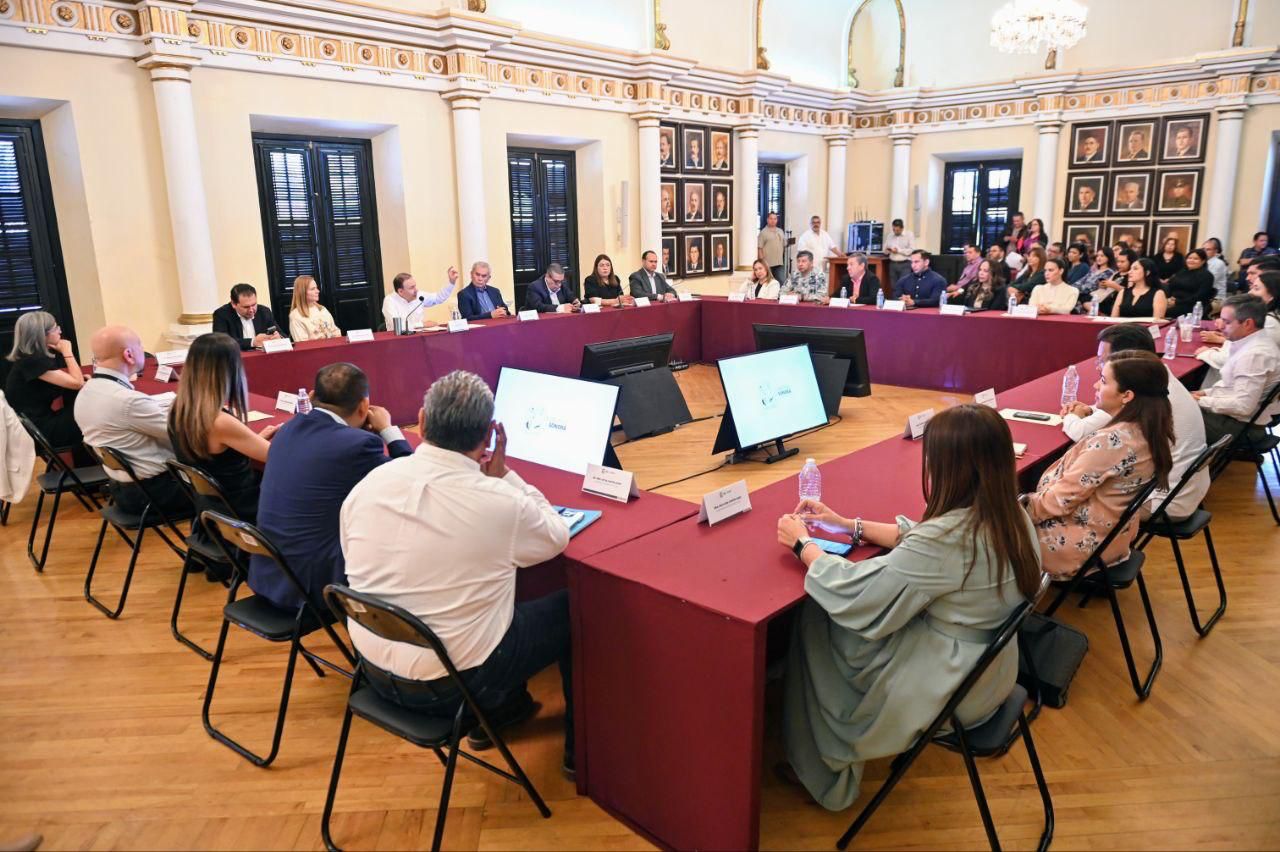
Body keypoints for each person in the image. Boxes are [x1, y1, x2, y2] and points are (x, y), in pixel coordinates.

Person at [773, 403, 1041, 810]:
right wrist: (847, 525)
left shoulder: (948, 539)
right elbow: (921, 541)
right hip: (992, 671)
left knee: (817, 616)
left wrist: (802, 544)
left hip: (950, 684)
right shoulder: (1010, 514)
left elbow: (858, 593)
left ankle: (825, 762)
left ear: (951, 468)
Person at [339, 370, 574, 775]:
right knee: (575, 609)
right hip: (454, 684)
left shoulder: (368, 485)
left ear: (421, 421)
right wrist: (506, 477)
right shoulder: (499, 501)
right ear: (489, 435)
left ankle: (504, 709)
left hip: (370, 669)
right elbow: (556, 536)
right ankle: (579, 749)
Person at [249, 362, 411, 611]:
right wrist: (388, 430)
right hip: (315, 586)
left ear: (312, 396)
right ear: (364, 406)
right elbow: (409, 480)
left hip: (269, 573)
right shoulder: (357, 446)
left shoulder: (288, 429)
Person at [1026, 355, 1173, 578]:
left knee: (988, 531)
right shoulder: (1150, 429)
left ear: (1127, 396)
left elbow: (1060, 501)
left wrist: (1014, 513)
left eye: (1103, 381)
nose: (1095, 385)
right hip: (1113, 538)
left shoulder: (1111, 442)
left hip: (1078, 546)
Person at [1062, 328, 1209, 519]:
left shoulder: (1142, 397)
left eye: (1103, 361)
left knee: (1070, 501)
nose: (1098, 368)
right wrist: (1089, 409)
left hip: (1163, 501)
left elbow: (1080, 431)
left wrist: (1071, 414)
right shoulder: (1159, 380)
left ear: (1127, 359)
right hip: (1185, 490)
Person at [73, 325, 189, 517]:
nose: (143, 350)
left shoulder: (87, 391)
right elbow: (185, 434)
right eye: (140, 345)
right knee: (230, 484)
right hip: (157, 493)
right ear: (129, 354)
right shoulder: (127, 401)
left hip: (121, 488)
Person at [168, 333, 278, 523]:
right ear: (230, 371)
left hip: (213, 507)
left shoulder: (178, 408)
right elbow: (278, 457)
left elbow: (218, 455)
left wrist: (253, 439)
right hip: (244, 508)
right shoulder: (218, 421)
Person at [1193, 295, 1280, 445]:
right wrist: (1204, 393)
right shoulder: (1252, 343)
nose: (1220, 326)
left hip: (1241, 428)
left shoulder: (1255, 355)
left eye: (1227, 322)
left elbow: (1243, 406)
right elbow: (1232, 386)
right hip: (1238, 421)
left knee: (1166, 414)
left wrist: (1200, 400)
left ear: (1247, 323)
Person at [4, 312, 87, 457]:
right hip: (39, 431)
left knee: (83, 403)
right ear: (42, 335)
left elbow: (72, 383)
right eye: (55, 328)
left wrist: (82, 381)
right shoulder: (32, 361)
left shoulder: (32, 359)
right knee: (91, 412)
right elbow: (77, 383)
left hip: (40, 424)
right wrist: (67, 352)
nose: (60, 330)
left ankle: (87, 463)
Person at [1196, 272, 1280, 383]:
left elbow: (1238, 358)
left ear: (1271, 296)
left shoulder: (1268, 322)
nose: (1250, 292)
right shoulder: (1266, 317)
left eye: (1256, 288)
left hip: (1234, 381)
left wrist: (1207, 353)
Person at [381, 269, 458, 332]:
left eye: (415, 286)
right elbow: (398, 327)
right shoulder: (390, 301)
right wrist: (422, 324)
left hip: (419, 337)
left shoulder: (419, 295)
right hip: (398, 340)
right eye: (411, 288)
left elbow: (438, 298)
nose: (416, 290)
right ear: (400, 291)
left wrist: (451, 283)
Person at [212, 283, 281, 351]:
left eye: (254, 305)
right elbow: (221, 343)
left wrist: (278, 337)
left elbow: (280, 333)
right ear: (233, 304)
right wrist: (252, 342)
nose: (251, 310)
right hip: (237, 356)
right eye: (246, 307)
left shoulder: (264, 311)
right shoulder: (222, 314)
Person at [288, 275, 342, 341]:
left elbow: (335, 331)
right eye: (312, 289)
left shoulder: (322, 309)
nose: (318, 291)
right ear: (302, 292)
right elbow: (301, 343)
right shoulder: (295, 315)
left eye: (316, 288)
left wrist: (335, 334)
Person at [1166, 248, 1214, 318]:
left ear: (1203, 261)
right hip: (1174, 302)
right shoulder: (1181, 272)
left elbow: (1200, 296)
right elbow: (1171, 286)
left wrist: (1177, 302)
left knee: (1164, 311)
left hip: (1192, 306)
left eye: (1196, 259)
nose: (1191, 260)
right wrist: (1168, 299)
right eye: (1189, 258)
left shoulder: (1207, 276)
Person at [757, 211, 785, 285]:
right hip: (768, 264)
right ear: (767, 220)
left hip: (779, 263)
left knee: (782, 282)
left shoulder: (780, 231)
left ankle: (781, 293)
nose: (773, 221)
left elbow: (784, 244)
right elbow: (759, 248)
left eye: (775, 219)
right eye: (771, 218)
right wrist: (762, 263)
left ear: (777, 220)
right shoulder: (763, 232)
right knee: (769, 283)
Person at [885, 218, 915, 285]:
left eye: (897, 230)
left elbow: (912, 250)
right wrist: (888, 250)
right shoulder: (890, 236)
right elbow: (885, 250)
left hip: (905, 264)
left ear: (902, 228)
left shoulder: (909, 235)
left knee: (904, 285)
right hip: (892, 264)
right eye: (894, 230)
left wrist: (898, 251)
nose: (895, 232)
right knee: (893, 286)